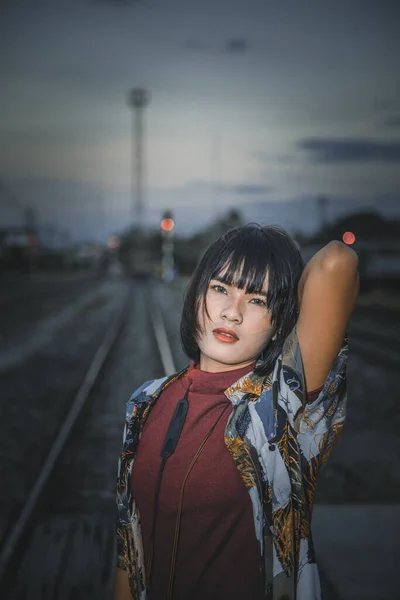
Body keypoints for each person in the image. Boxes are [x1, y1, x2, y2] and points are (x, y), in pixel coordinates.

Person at [113, 224, 359, 600]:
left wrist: (282, 282)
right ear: (197, 294)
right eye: (220, 288)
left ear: (280, 324)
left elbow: (337, 262)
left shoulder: (282, 405)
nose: (232, 312)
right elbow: (129, 552)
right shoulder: (145, 402)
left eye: (258, 300)